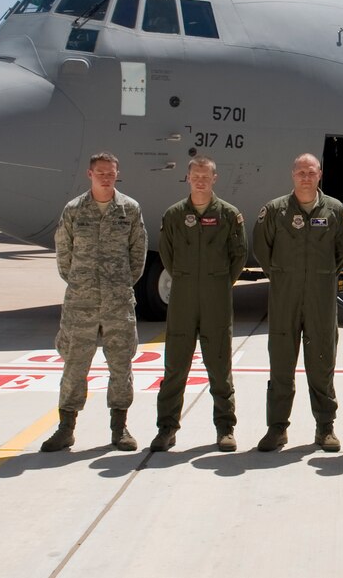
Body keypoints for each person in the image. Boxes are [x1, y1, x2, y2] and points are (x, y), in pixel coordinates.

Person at [41, 152, 147, 452]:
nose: (106, 177)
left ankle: (119, 428)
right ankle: (66, 428)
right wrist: (82, 283)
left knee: (121, 365)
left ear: (117, 174)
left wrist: (119, 284)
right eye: (100, 172)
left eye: (110, 173)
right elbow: (64, 254)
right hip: (81, 303)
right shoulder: (74, 210)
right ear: (90, 174)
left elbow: (138, 253)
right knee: (74, 365)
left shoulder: (129, 209)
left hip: (118, 302)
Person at [253, 153, 343, 452]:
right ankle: (277, 428)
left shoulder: (335, 210)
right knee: (281, 365)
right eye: (301, 172)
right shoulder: (275, 210)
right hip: (284, 298)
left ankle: (325, 428)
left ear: (319, 174)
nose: (306, 177)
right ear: (292, 175)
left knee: (322, 364)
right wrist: (282, 275)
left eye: (311, 172)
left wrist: (322, 276)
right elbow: (261, 248)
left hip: (321, 300)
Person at [150, 156, 247, 452]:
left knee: (219, 367)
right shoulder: (174, 215)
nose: (201, 181)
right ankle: (166, 428)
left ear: (214, 178)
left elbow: (239, 255)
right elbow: (167, 254)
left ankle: (225, 428)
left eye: (206, 176)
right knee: (175, 367)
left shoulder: (229, 215)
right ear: (188, 178)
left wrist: (218, 282)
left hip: (216, 299)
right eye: (196, 176)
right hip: (183, 299)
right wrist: (187, 278)